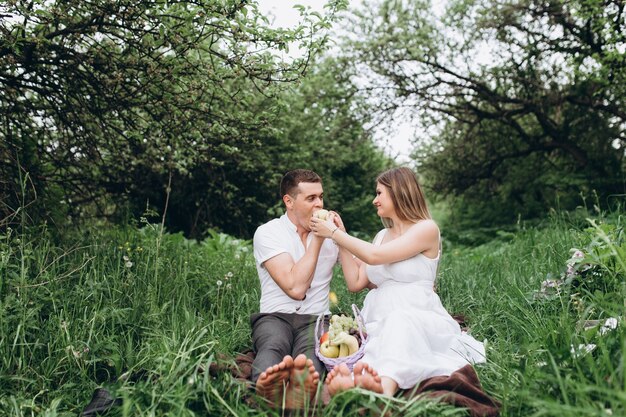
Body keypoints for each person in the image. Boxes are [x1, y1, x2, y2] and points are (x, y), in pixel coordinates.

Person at [310, 167, 486, 397]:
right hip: (376, 316)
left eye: (379, 193)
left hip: (417, 314)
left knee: (400, 324)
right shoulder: (381, 236)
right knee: (377, 340)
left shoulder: (426, 229)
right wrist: (341, 237)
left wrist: (334, 233)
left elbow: (374, 256)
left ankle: (382, 392)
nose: (374, 200)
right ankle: (361, 383)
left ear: (399, 192)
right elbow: (355, 282)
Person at [251, 169, 353, 408]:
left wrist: (342, 236)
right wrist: (318, 241)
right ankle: (267, 389)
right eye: (311, 198)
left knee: (311, 354)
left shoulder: (332, 234)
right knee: (273, 345)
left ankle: (301, 391)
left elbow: (358, 277)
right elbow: (295, 287)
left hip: (316, 318)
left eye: (321, 197)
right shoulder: (268, 233)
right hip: (275, 316)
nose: (319, 204)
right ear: (289, 201)